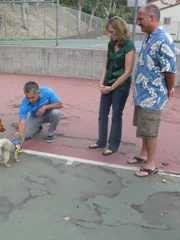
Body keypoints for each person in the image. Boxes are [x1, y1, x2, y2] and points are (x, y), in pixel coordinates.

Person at [128, 4, 177, 177]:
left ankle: (150, 164)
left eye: (141, 19)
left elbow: (170, 70)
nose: (138, 22)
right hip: (142, 94)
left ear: (152, 18)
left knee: (150, 130)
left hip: (153, 96)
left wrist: (170, 88)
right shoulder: (149, 37)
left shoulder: (163, 39)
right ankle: (143, 154)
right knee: (143, 126)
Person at [89, 16, 135, 155]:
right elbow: (106, 64)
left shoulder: (129, 45)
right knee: (102, 114)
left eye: (112, 32)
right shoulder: (111, 43)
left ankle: (113, 145)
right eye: (108, 32)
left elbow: (127, 72)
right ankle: (101, 141)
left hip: (120, 86)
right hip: (108, 83)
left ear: (120, 30)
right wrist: (102, 82)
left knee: (116, 115)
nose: (110, 35)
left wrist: (112, 87)